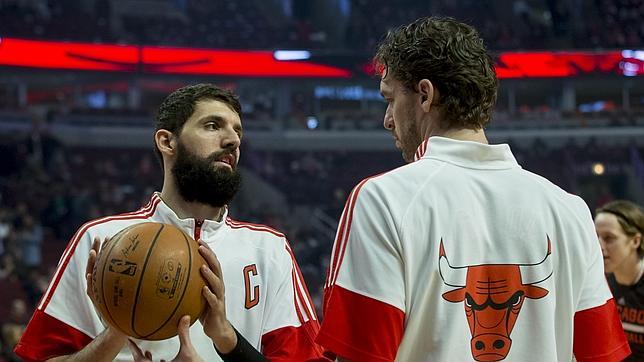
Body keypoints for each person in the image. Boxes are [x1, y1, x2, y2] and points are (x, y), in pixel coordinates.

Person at [316, 17, 630, 361]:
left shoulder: (382, 199)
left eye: (390, 100)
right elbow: (602, 356)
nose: (387, 119)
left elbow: (361, 356)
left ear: (424, 94)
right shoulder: (569, 208)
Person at [14, 83, 325, 361]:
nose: (232, 140)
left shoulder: (269, 249)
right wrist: (115, 332)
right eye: (213, 125)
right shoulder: (100, 239)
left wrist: (228, 340)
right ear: (167, 142)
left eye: (237, 131)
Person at [595, 200, 644, 361]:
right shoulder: (598, 285)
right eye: (596, 237)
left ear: (635, 241)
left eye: (609, 238)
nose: (599, 246)